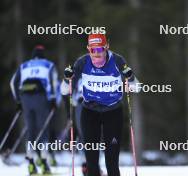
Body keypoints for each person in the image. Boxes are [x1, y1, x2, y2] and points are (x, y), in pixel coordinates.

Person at [61, 33, 140, 176]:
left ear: (107, 47)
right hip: (90, 113)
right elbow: (64, 90)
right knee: (91, 162)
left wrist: (131, 77)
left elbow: (137, 88)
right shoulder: (82, 62)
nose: (96, 54)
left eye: (100, 50)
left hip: (113, 112)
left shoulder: (117, 60)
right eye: (93, 50)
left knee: (112, 160)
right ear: (88, 49)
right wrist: (67, 79)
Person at [10, 45, 59, 175]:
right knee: (43, 130)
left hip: (25, 98)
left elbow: (13, 83)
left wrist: (18, 101)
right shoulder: (48, 65)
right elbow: (54, 82)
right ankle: (44, 163)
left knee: (31, 131)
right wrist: (54, 99)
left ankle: (31, 163)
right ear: (43, 55)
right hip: (41, 97)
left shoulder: (24, 65)